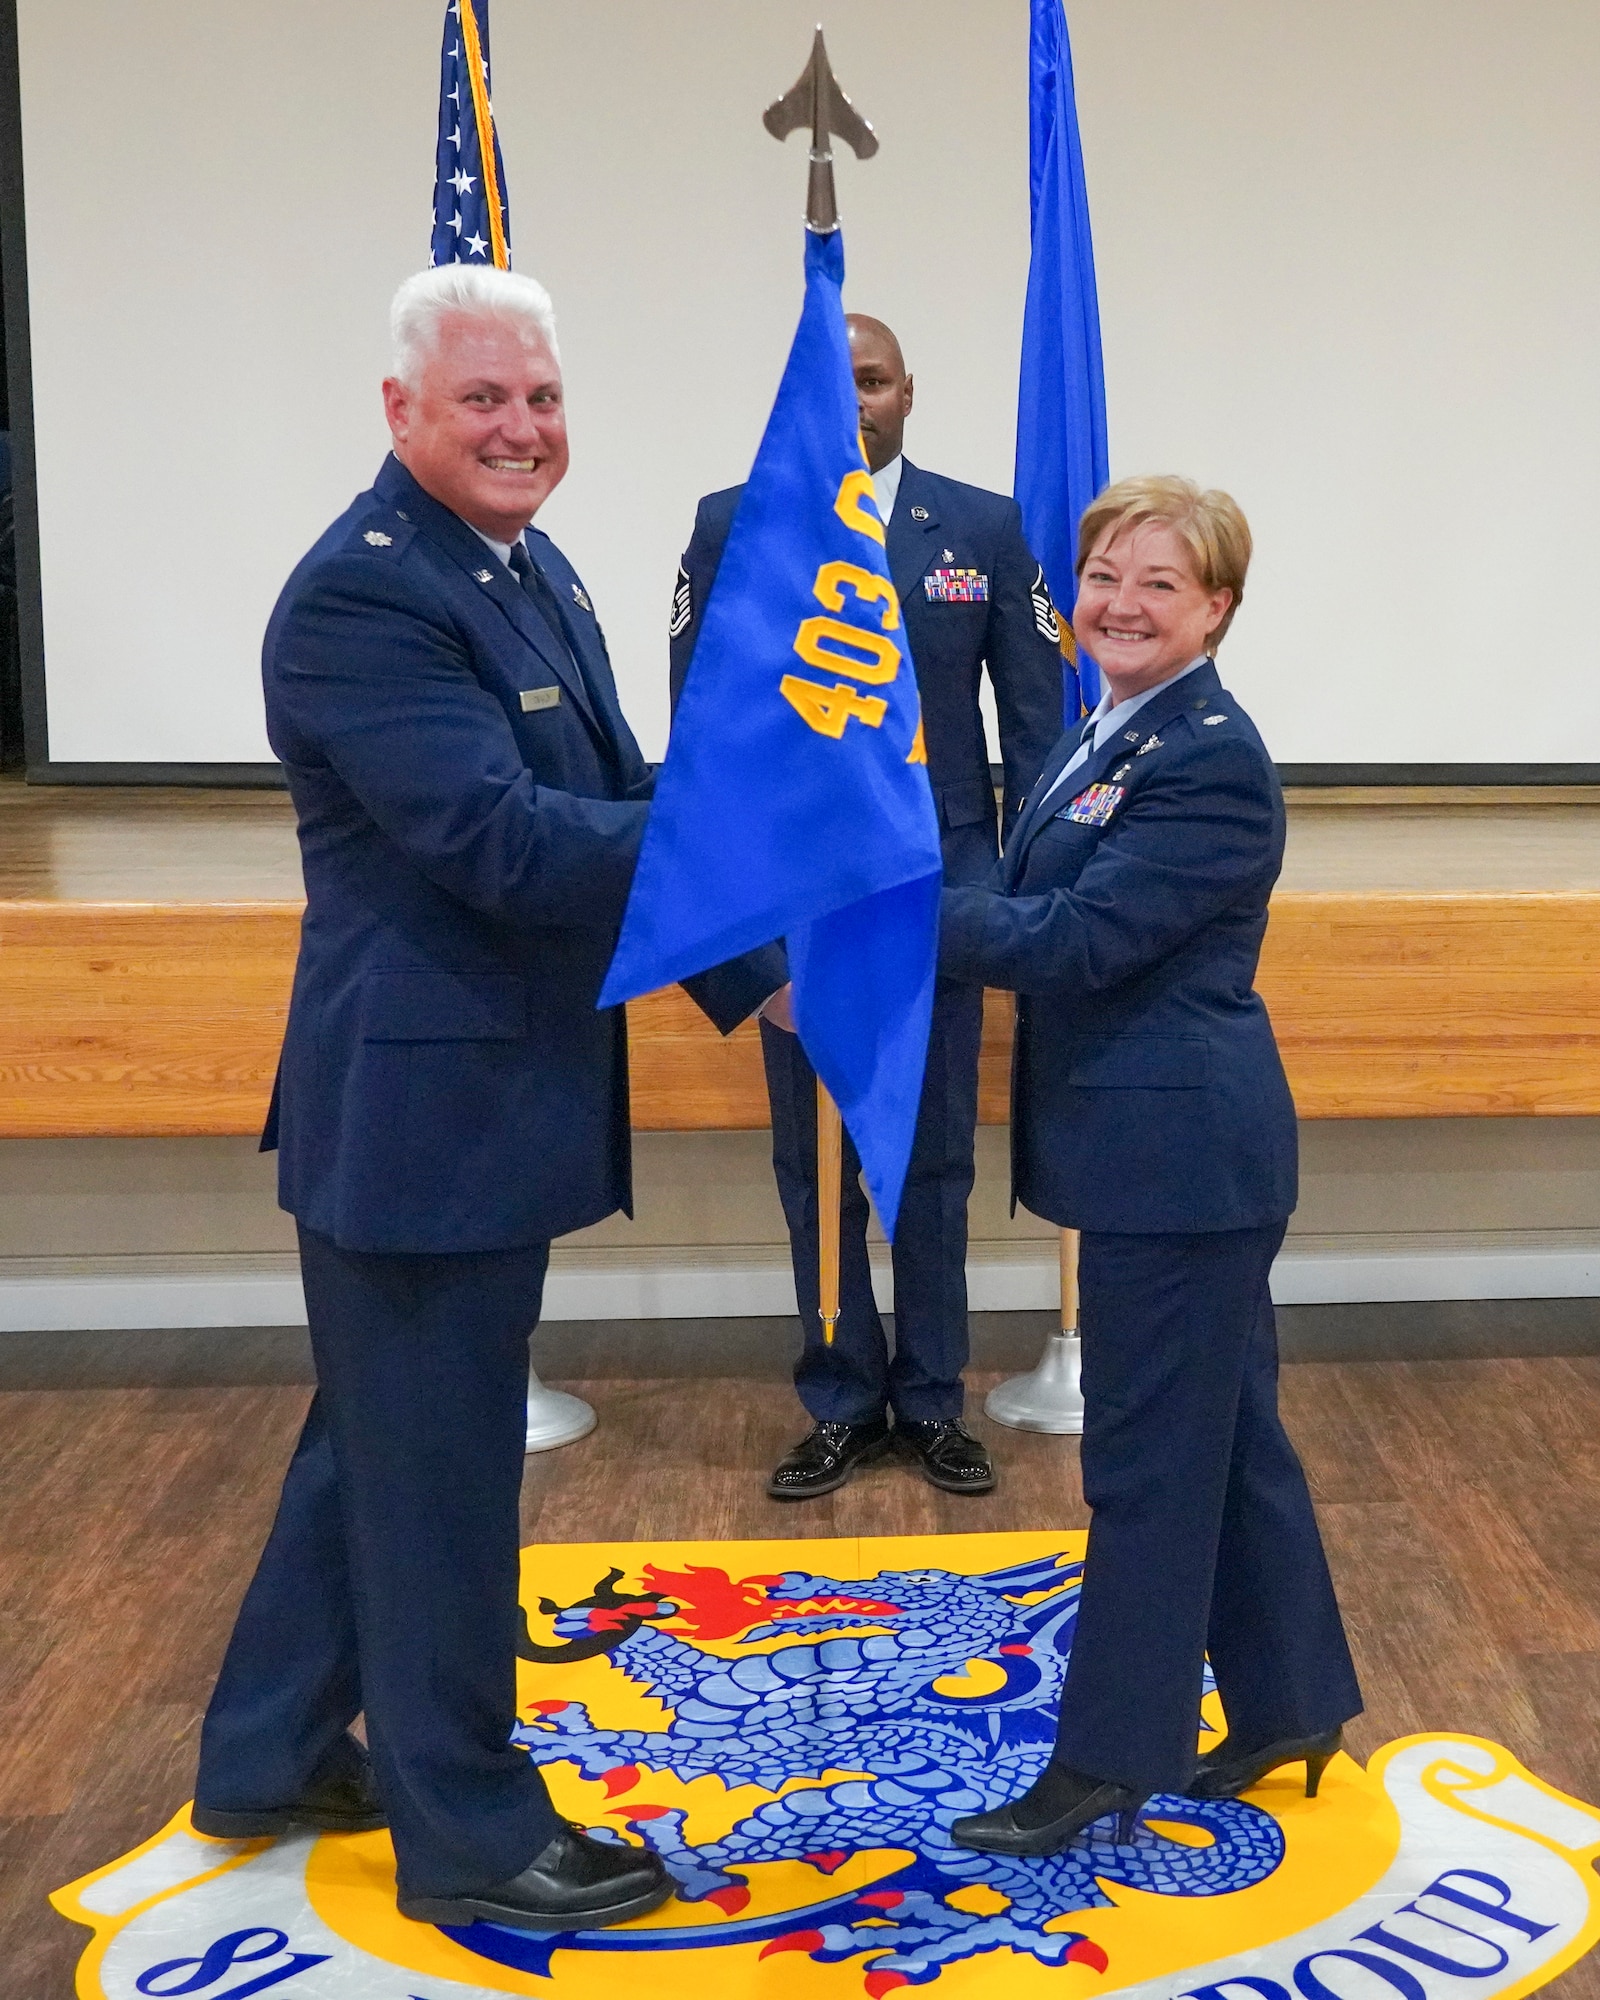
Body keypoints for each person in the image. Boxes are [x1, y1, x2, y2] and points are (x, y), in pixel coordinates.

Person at [191, 266, 781, 1931]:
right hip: (420, 1127)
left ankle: (265, 1748)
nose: (521, 430)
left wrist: (758, 970)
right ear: (401, 414)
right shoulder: (364, 601)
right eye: (482, 402)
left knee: (374, 1448)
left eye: (540, 400)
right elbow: (507, 846)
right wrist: (761, 844)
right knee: (439, 1477)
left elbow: (610, 793)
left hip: (483, 1111)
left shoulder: (530, 570)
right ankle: (472, 1833)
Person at [937, 475, 1362, 1857]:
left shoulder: (1210, 756)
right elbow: (1025, 908)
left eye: (1161, 584)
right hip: (1158, 1152)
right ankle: (1296, 1702)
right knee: (1227, 1440)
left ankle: (1110, 1761)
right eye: (1106, 575)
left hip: (1182, 1165)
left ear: (1219, 610)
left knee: (1146, 1469)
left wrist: (881, 913)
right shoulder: (1098, 729)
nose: (1121, 604)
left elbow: (1070, 942)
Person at [671, 314, 1063, 1502]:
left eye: (874, 379)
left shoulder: (981, 530)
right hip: (803, 904)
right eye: (828, 384)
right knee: (818, 1164)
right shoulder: (734, 525)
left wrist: (1008, 901)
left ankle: (932, 1395)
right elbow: (705, 743)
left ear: (908, 393)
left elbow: (1035, 730)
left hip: (940, 898)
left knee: (935, 1158)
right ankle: (840, 1398)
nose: (854, 402)